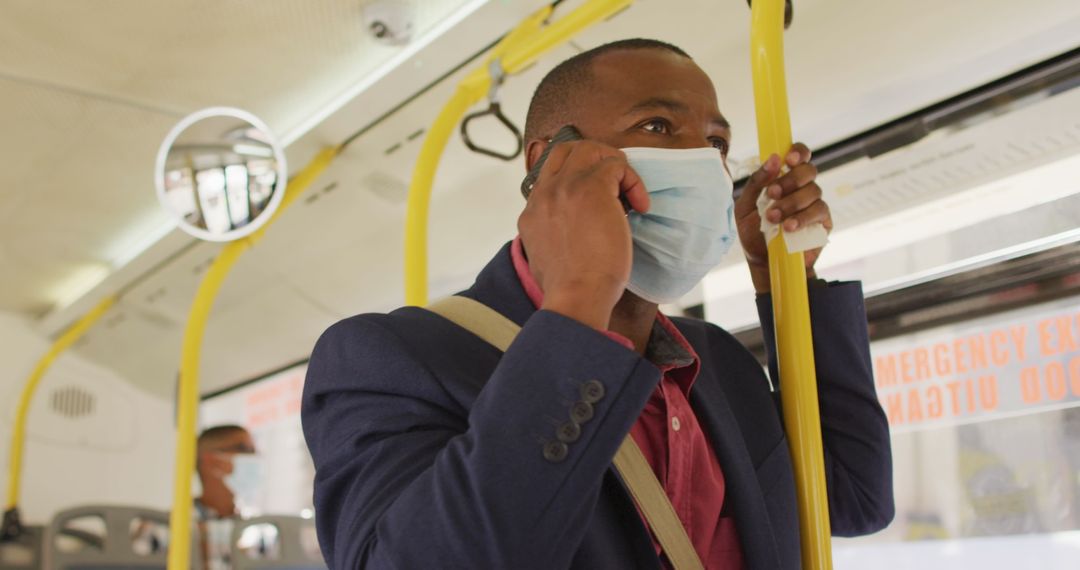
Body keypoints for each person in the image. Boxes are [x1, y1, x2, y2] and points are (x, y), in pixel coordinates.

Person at [302, 38, 894, 569]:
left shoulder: (717, 361)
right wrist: (582, 296)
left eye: (717, 142)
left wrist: (786, 279)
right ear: (547, 162)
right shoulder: (389, 358)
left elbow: (855, 499)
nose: (704, 164)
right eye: (658, 127)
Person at [194, 424, 264, 570]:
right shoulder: (169, 528)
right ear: (211, 460)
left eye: (254, 451)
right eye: (244, 449)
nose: (255, 458)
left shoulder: (257, 529)